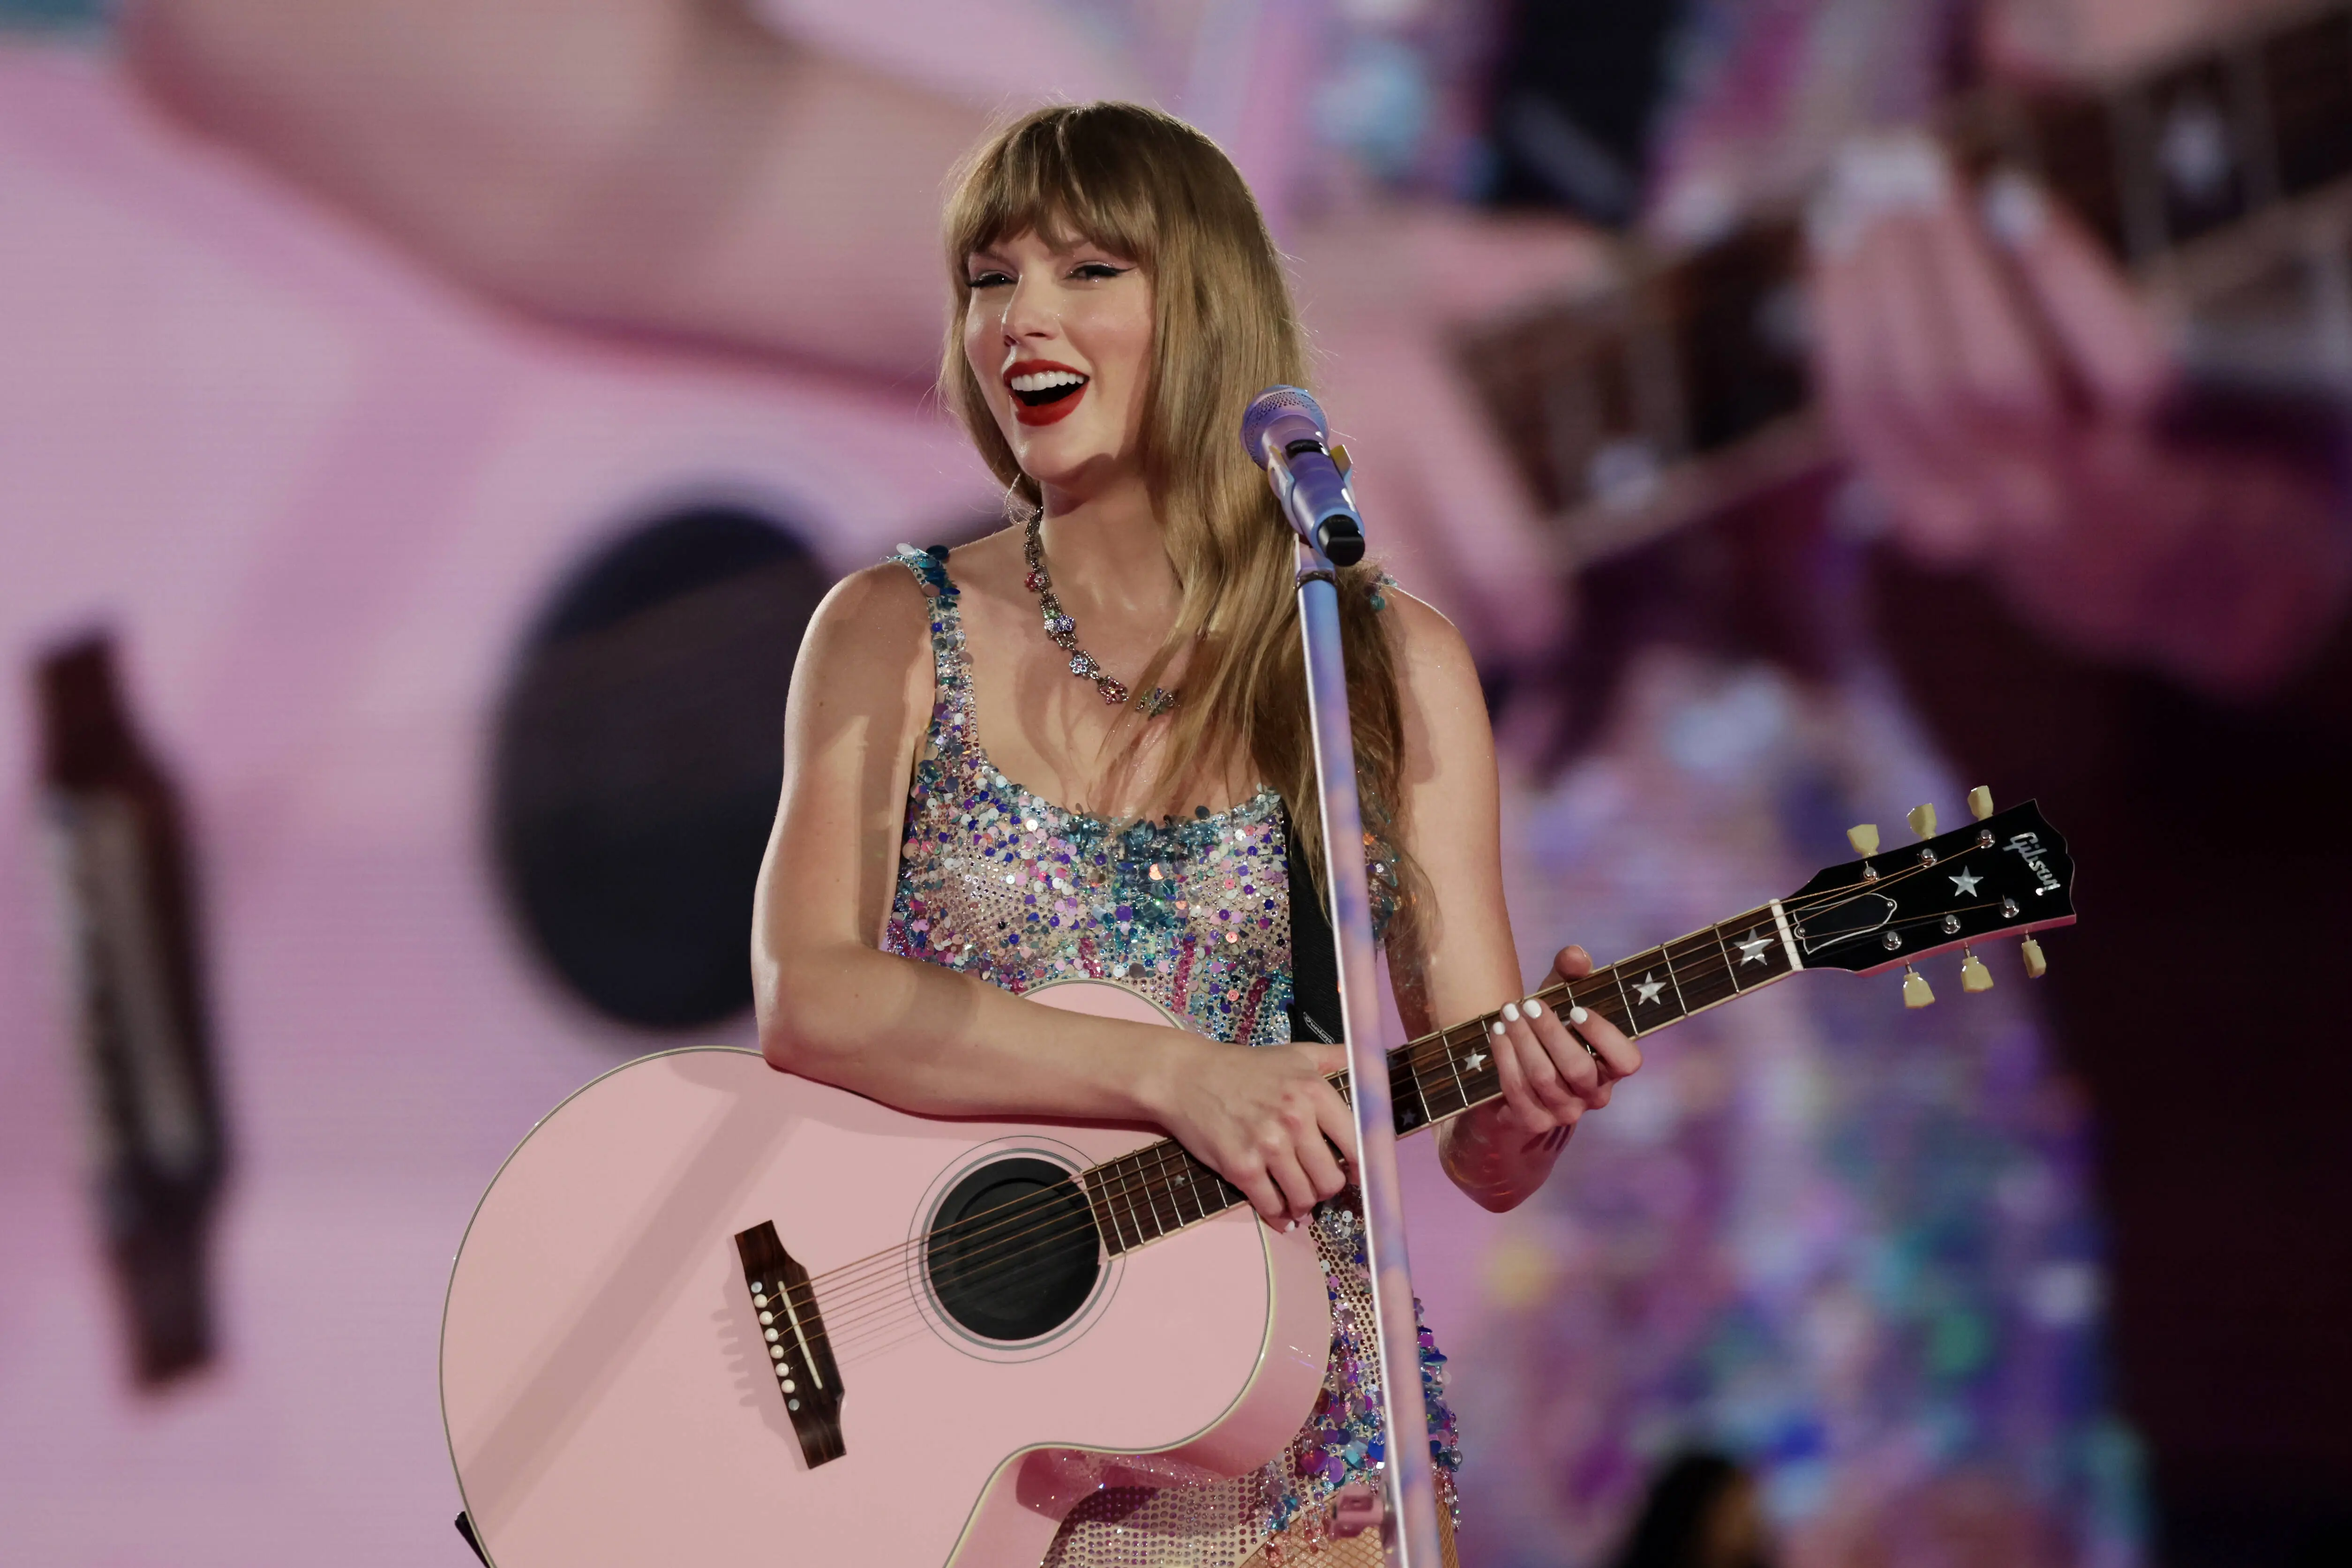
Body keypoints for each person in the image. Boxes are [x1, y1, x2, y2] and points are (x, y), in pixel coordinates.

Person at [751, 101, 1643, 1567]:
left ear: (1210, 311)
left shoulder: (1382, 662)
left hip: (1295, 1465)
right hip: (980, 1458)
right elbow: (815, 996)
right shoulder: (886, 631)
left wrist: (1532, 1104)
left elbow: (1479, 1137)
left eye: (1089, 272)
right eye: (992, 279)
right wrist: (1182, 1078)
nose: (1022, 318)